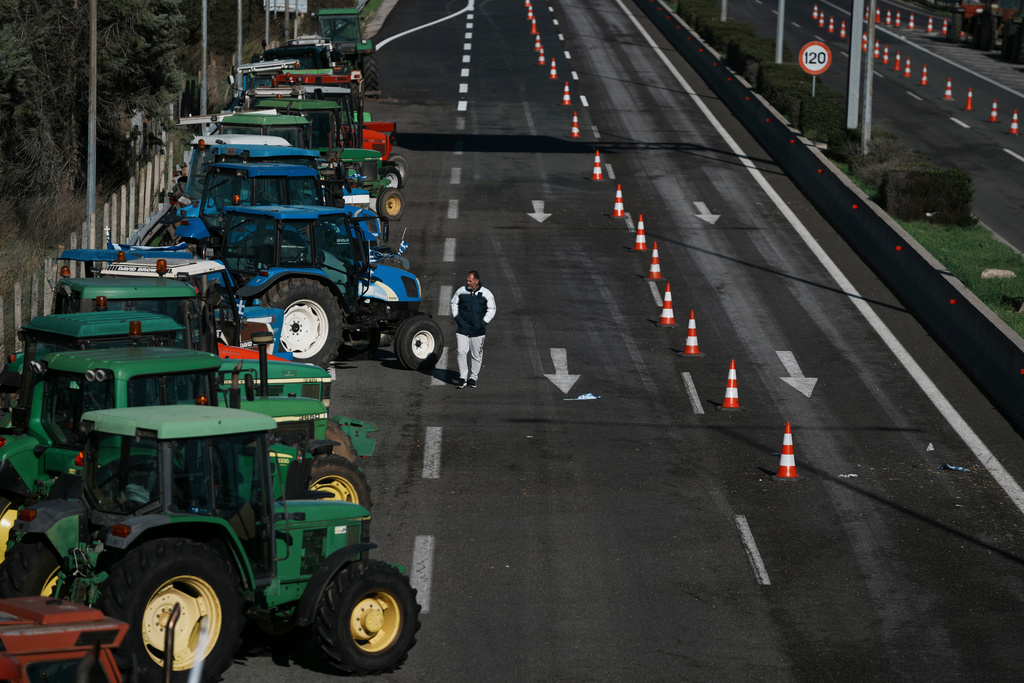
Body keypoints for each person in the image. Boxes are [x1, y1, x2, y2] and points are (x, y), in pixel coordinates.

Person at [450, 270, 496, 388]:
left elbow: (492, 309)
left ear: (477, 281)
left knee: (476, 355)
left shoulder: (486, 293)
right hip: (463, 329)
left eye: (470, 281)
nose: (468, 282)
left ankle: (473, 377)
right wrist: (458, 319)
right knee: (461, 352)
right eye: (467, 280)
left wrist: (483, 323)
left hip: (478, 331)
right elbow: (453, 303)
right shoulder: (461, 291)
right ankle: (462, 377)